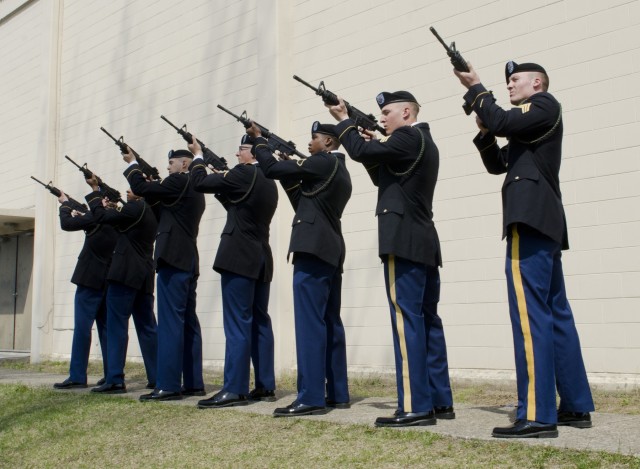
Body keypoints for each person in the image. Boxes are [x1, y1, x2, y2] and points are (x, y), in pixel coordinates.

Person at [454, 60, 594, 438]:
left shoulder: (544, 105)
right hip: (543, 221)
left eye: (515, 80)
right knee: (555, 315)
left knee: (531, 318)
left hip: (530, 218)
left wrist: (477, 89)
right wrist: (485, 132)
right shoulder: (529, 123)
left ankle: (537, 413)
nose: (510, 85)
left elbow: (503, 122)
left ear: (538, 82)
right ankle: (576, 406)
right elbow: (499, 163)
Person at [327, 91, 453, 427]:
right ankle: (439, 399)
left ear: (407, 112)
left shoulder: (409, 137)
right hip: (422, 240)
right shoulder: (421, 141)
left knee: (406, 321)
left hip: (404, 240)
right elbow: (381, 173)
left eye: (387, 112)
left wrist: (344, 121)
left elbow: (360, 151)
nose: (382, 119)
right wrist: (370, 141)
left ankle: (415, 406)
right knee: (426, 321)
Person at [246, 121, 352, 417]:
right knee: (330, 321)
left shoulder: (321, 163)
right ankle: (337, 393)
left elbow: (271, 170)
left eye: (314, 137)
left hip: (312, 247)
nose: (309, 142)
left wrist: (260, 144)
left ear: (329, 142)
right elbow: (303, 200)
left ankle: (311, 396)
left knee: (309, 325)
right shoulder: (337, 170)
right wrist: (289, 166)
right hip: (329, 247)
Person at [187, 135, 278, 408]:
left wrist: (198, 158)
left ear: (253, 153)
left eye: (241, 149)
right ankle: (264, 384)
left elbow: (198, 182)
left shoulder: (242, 173)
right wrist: (223, 181)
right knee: (260, 322)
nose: (237, 154)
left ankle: (234, 388)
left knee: (238, 323)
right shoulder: (268, 181)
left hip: (239, 256)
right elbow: (239, 206)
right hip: (260, 257)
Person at [123, 146, 206, 401]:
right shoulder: (191, 188)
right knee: (188, 322)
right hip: (187, 258)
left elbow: (140, 188)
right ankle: (193, 383)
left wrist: (133, 163)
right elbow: (165, 214)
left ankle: (168, 384)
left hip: (174, 258)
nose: (168, 167)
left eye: (172, 162)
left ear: (184, 165)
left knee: (170, 323)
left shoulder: (180, 180)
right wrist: (153, 190)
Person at [88, 182, 158, 394]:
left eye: (131, 188)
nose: (127, 191)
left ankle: (115, 379)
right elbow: (121, 224)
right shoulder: (151, 211)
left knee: (116, 325)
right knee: (147, 327)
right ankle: (156, 375)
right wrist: (111, 207)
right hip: (144, 274)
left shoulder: (134, 208)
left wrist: (95, 194)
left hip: (125, 273)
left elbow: (101, 218)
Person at [53, 183, 116, 389]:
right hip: (107, 279)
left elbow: (67, 223)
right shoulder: (118, 219)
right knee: (106, 330)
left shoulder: (96, 217)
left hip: (89, 279)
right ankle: (111, 374)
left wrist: (64, 203)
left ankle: (78, 375)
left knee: (82, 328)